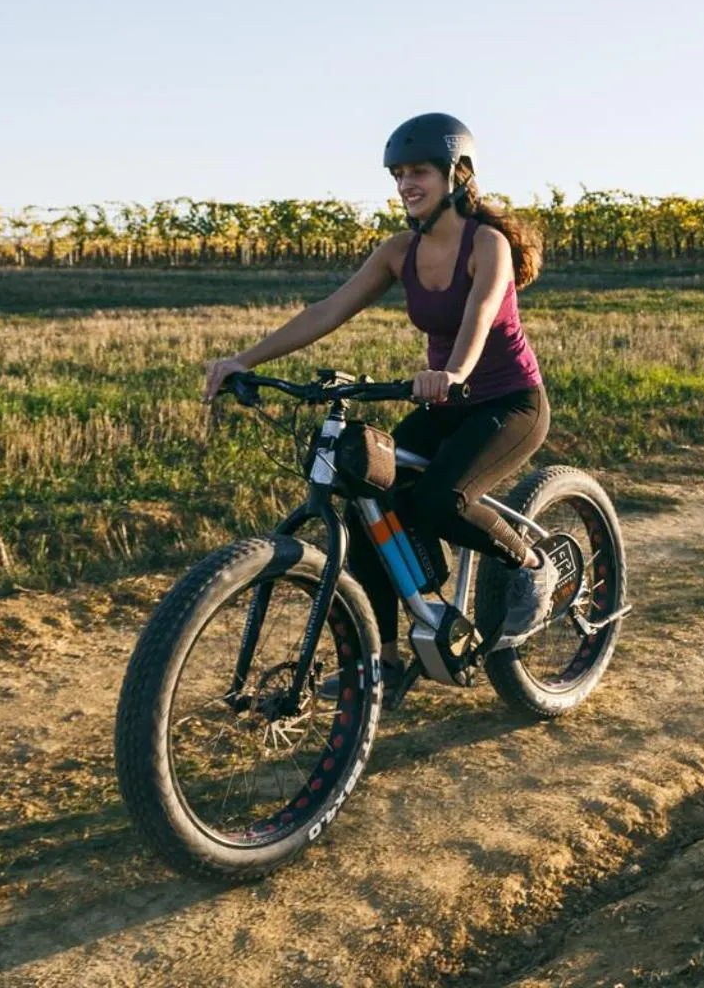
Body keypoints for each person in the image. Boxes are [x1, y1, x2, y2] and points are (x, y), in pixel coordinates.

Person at [201, 113, 557, 666]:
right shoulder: (399, 251)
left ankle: (533, 566)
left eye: (419, 172)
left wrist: (456, 371)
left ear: (457, 174)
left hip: (508, 402)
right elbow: (327, 311)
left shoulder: (487, 243)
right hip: (445, 405)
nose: (406, 184)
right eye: (397, 174)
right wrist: (241, 360)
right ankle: (383, 660)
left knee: (442, 501)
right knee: (370, 502)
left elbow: (481, 313)